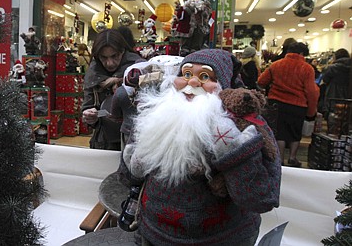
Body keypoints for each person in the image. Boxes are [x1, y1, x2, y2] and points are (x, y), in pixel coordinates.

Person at [123, 49, 281, 245]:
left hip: (221, 239)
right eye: (186, 74)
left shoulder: (248, 125)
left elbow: (261, 198)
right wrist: (137, 156)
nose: (193, 83)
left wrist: (236, 154)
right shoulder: (155, 117)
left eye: (205, 77)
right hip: (152, 233)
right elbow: (128, 176)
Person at [258, 42, 319, 167]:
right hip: (298, 105)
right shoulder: (307, 68)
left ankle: (279, 159)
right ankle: (292, 158)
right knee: (295, 133)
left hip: (277, 103)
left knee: (280, 132)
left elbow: (261, 81)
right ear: (302, 53)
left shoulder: (276, 65)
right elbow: (311, 92)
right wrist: (311, 112)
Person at [81, 29, 143, 150]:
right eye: (104, 58)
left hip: (136, 141)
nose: (109, 63)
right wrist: (89, 116)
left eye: (114, 56)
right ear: (98, 57)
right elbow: (87, 108)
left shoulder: (138, 69)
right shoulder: (93, 73)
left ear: (123, 51)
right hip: (104, 141)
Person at [321, 48, 351, 130]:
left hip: (333, 97)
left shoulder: (333, 68)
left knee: (333, 122)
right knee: (346, 124)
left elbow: (325, 80)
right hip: (348, 99)